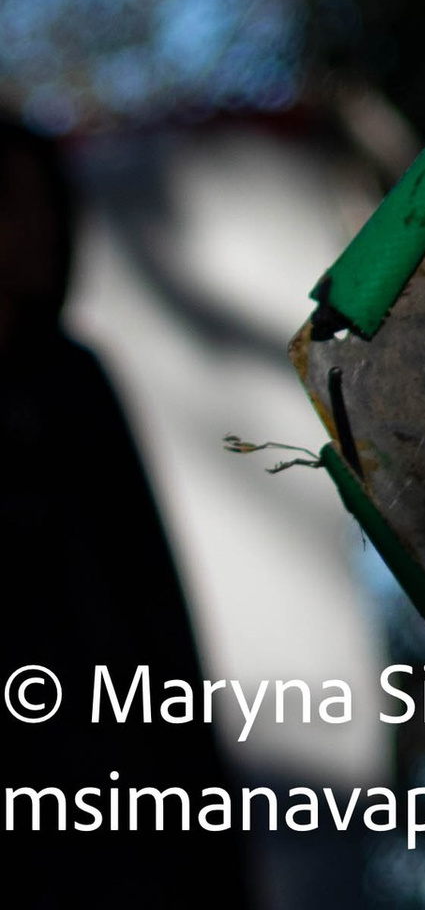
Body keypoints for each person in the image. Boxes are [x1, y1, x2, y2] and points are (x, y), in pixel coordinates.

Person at [0, 111, 250, 906]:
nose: (37, 229)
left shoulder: (73, 381)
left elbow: (151, 603)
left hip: (124, 798)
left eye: (46, 205)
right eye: (12, 205)